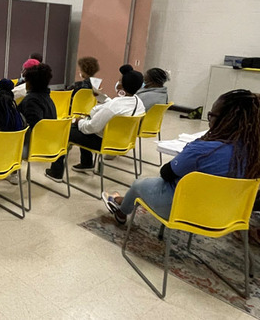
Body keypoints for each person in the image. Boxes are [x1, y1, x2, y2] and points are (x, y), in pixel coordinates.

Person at [103, 89, 260, 224]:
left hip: (182, 211)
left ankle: (121, 213)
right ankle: (122, 203)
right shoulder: (255, 153)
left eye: (211, 115)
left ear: (226, 120)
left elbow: (166, 173)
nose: (209, 119)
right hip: (226, 215)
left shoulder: (204, 150)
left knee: (138, 184)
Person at [45, 64, 145, 181]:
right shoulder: (139, 103)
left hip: (104, 142)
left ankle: (56, 172)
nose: (117, 82)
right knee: (83, 127)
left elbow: (91, 127)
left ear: (122, 85)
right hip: (123, 141)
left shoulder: (113, 106)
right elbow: (113, 106)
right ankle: (86, 163)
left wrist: (79, 121)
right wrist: (100, 96)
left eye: (119, 80)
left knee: (66, 130)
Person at [18, 63, 60, 178]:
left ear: (29, 83)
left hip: (34, 148)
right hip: (52, 146)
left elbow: (33, 128)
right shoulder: (48, 99)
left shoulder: (30, 101)